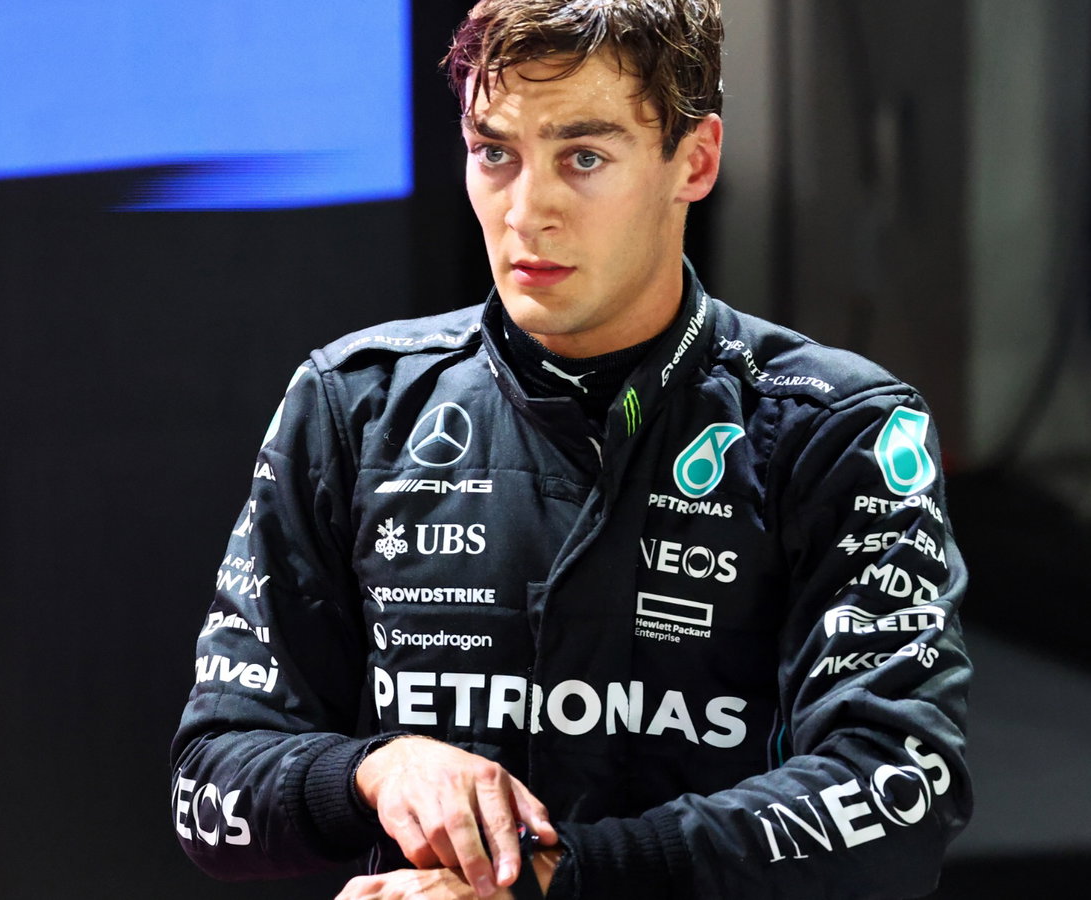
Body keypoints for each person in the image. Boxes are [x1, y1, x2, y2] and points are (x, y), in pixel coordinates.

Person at [171, 1, 972, 897]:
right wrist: (377, 772)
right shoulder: (352, 405)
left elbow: (898, 796)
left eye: (583, 158)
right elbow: (212, 784)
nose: (527, 210)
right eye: (495, 153)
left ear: (694, 161)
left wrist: (555, 881)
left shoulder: (837, 426)